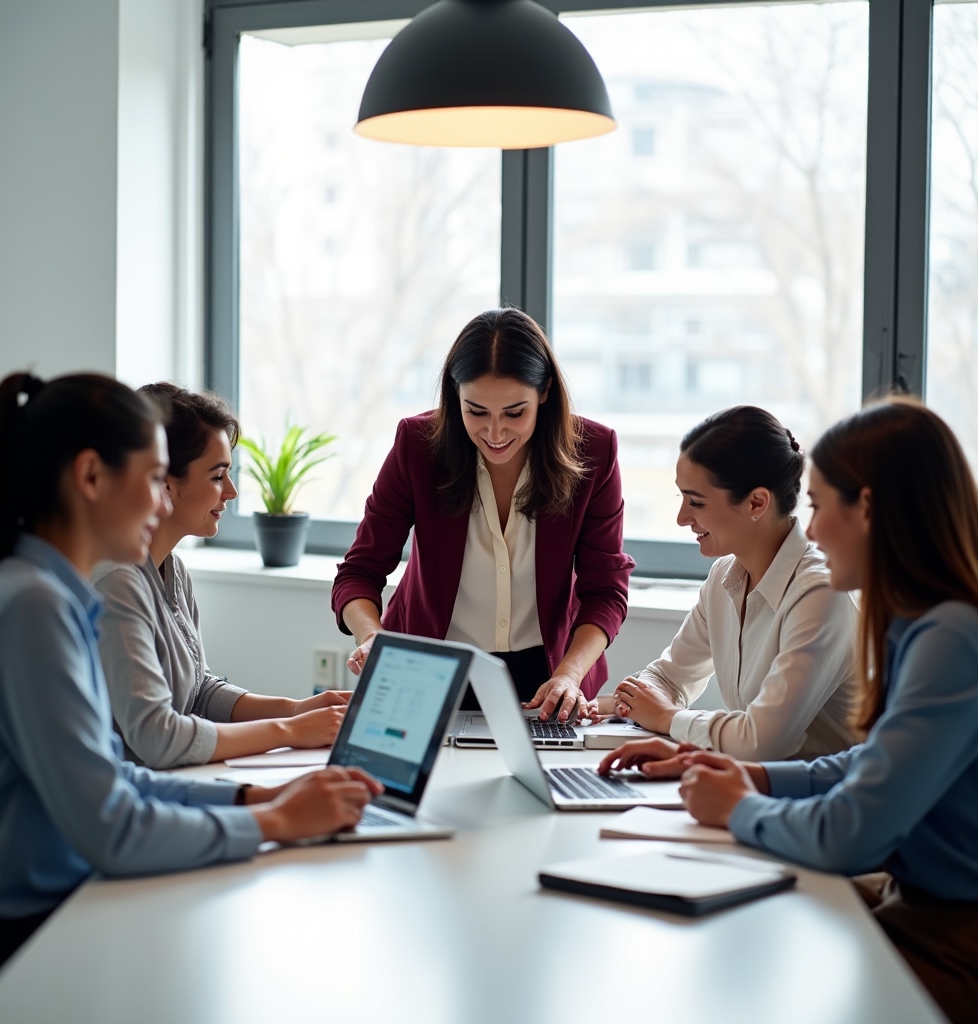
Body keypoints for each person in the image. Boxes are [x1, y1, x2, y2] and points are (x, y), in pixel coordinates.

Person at [0, 372, 381, 1014]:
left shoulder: (52, 597)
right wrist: (274, 822)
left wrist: (259, 794)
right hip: (11, 948)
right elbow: (113, 826)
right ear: (92, 477)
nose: (162, 504)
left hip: (55, 912)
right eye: (156, 480)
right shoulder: (31, 608)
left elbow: (118, 775)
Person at [602, 397, 978, 1023]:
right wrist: (753, 779)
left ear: (872, 512)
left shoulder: (949, 638)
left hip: (951, 929)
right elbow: (868, 762)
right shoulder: (919, 622)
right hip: (912, 901)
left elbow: (851, 833)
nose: (817, 530)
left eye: (821, 507)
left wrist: (743, 806)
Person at [332, 308, 635, 722]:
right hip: (428, 667)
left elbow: (605, 591)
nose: (495, 433)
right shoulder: (417, 447)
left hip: (548, 676)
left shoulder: (595, 452)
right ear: (455, 395)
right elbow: (359, 572)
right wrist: (373, 638)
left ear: (544, 392)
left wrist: (570, 674)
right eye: (476, 411)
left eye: (515, 413)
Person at [93, 383, 348, 769]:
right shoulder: (117, 583)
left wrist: (297, 709)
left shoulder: (172, 569)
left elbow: (198, 693)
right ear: (165, 482)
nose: (230, 492)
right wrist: (288, 731)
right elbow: (157, 738)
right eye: (217, 477)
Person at [607, 406, 857, 760]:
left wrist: (667, 718)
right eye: (682, 498)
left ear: (757, 502)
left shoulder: (820, 594)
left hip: (822, 803)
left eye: (696, 502)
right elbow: (670, 678)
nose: (681, 518)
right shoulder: (725, 577)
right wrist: (612, 705)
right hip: (755, 787)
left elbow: (762, 740)